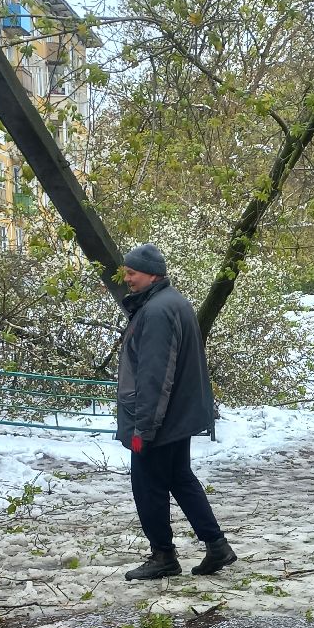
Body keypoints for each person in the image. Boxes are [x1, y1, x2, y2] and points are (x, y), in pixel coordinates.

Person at [116, 243, 236, 581]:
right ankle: (216, 545)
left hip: (159, 421)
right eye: (126, 272)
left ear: (152, 274)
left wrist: (143, 430)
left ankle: (163, 556)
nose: (127, 278)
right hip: (177, 416)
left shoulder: (156, 311)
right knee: (180, 478)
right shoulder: (173, 302)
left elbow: (155, 377)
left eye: (132, 272)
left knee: (147, 485)